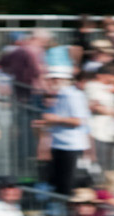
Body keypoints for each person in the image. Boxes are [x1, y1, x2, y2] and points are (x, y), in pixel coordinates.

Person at [36, 66, 90, 197]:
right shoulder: (60, 95)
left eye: (51, 80)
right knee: (57, 184)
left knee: (66, 186)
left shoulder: (72, 96)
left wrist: (55, 119)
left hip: (71, 147)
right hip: (59, 145)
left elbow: (78, 121)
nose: (48, 83)